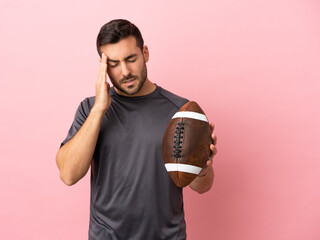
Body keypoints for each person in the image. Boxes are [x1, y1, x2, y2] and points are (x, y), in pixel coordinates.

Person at [56, 19, 217, 240]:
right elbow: (68, 175)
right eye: (113, 63)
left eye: (131, 59)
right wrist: (99, 109)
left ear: (145, 53)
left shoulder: (181, 112)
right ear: (103, 67)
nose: (125, 71)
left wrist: (203, 166)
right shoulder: (89, 109)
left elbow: (202, 187)